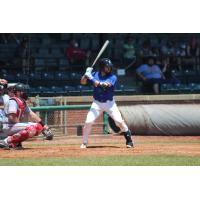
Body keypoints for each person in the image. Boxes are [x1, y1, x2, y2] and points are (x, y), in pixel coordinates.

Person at [80, 58, 134, 148]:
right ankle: (84, 142)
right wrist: (85, 75)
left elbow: (103, 86)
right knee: (88, 121)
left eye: (109, 67)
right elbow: (82, 82)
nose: (109, 69)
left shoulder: (112, 77)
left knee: (119, 121)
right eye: (106, 67)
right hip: (97, 103)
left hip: (110, 104)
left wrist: (90, 77)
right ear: (101, 67)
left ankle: (129, 141)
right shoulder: (94, 74)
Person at [0, 83, 52, 150]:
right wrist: (21, 124)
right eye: (24, 91)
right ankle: (5, 142)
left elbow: (32, 115)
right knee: (31, 128)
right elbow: (12, 117)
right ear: (18, 92)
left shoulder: (22, 102)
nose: (26, 93)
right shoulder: (13, 101)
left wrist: (44, 125)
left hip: (13, 125)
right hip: (7, 126)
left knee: (39, 126)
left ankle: (15, 143)